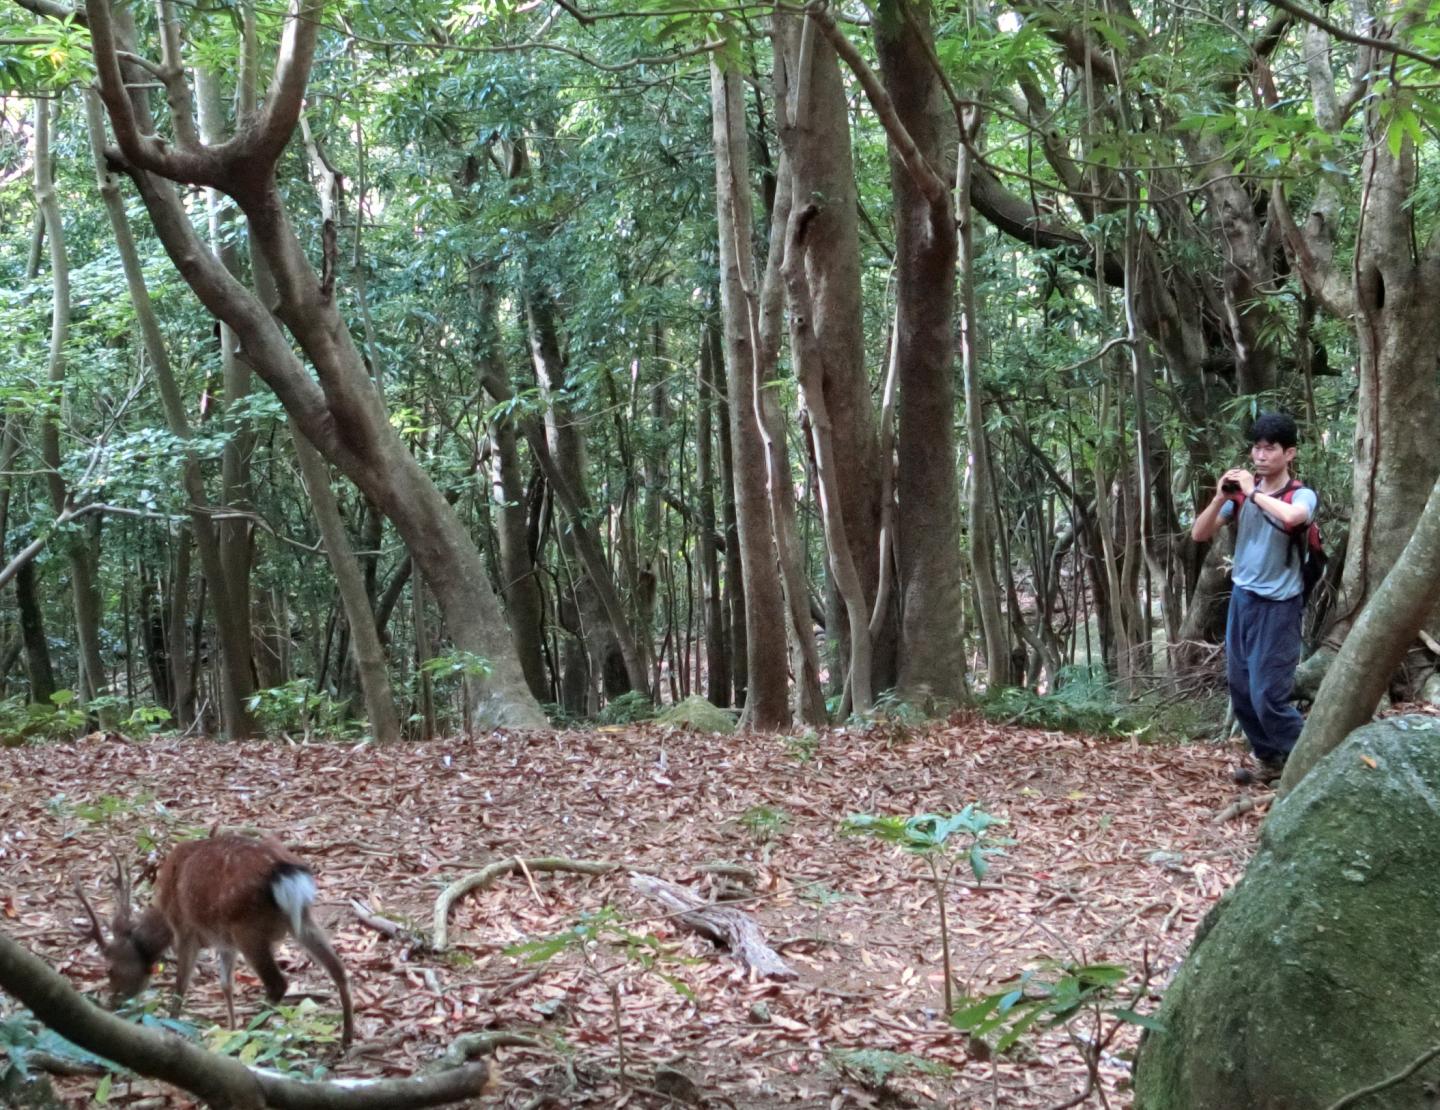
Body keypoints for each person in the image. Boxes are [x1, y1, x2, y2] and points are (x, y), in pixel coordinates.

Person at [1191, 412, 1318, 785]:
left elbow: (1295, 518)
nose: (1260, 456)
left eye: (1270, 449)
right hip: (1243, 600)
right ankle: (1270, 759)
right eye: (1257, 448)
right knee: (1242, 689)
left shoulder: (1299, 494)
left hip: (1280, 605)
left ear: (1289, 453)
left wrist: (1254, 492)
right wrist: (1219, 499)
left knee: (1268, 694)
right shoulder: (1244, 498)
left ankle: (1306, 758)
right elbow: (1200, 535)